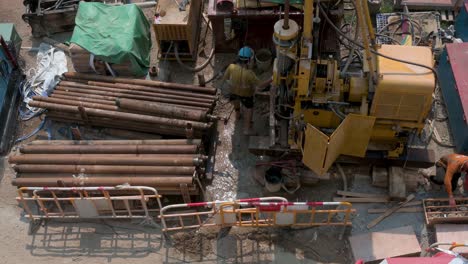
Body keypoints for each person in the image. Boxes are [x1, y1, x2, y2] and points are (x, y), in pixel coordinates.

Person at [222, 46, 271, 135]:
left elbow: (225, 79)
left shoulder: (231, 67)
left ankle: (237, 114)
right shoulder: (249, 74)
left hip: (232, 92)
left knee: (235, 99)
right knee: (249, 108)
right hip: (246, 95)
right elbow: (260, 85)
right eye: (252, 60)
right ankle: (247, 129)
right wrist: (271, 79)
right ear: (249, 61)